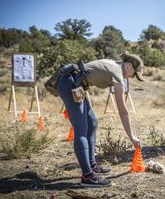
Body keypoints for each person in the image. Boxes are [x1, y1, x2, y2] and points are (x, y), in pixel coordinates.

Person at [54, 52, 144, 187]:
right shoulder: (118, 73)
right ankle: (88, 176)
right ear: (130, 65)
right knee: (81, 130)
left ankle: (92, 165)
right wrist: (132, 137)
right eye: (134, 73)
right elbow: (123, 112)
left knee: (92, 123)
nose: (132, 77)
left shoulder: (115, 64)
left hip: (76, 84)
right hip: (70, 84)